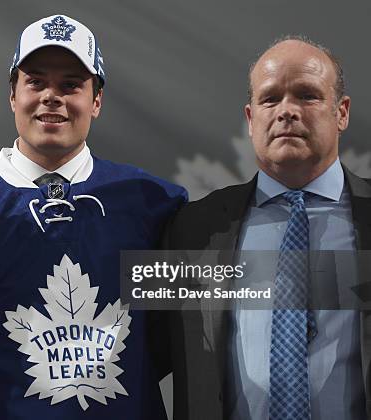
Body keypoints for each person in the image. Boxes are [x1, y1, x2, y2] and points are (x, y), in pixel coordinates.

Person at [0, 14, 187, 419]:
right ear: (13, 95)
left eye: (71, 84)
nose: (52, 95)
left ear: (96, 101)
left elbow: (181, 335)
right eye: (36, 81)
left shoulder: (153, 202)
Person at [164, 37, 371, 419]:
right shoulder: (193, 228)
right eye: (270, 99)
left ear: (342, 112)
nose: (287, 111)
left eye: (307, 95)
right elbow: (142, 353)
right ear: (250, 117)